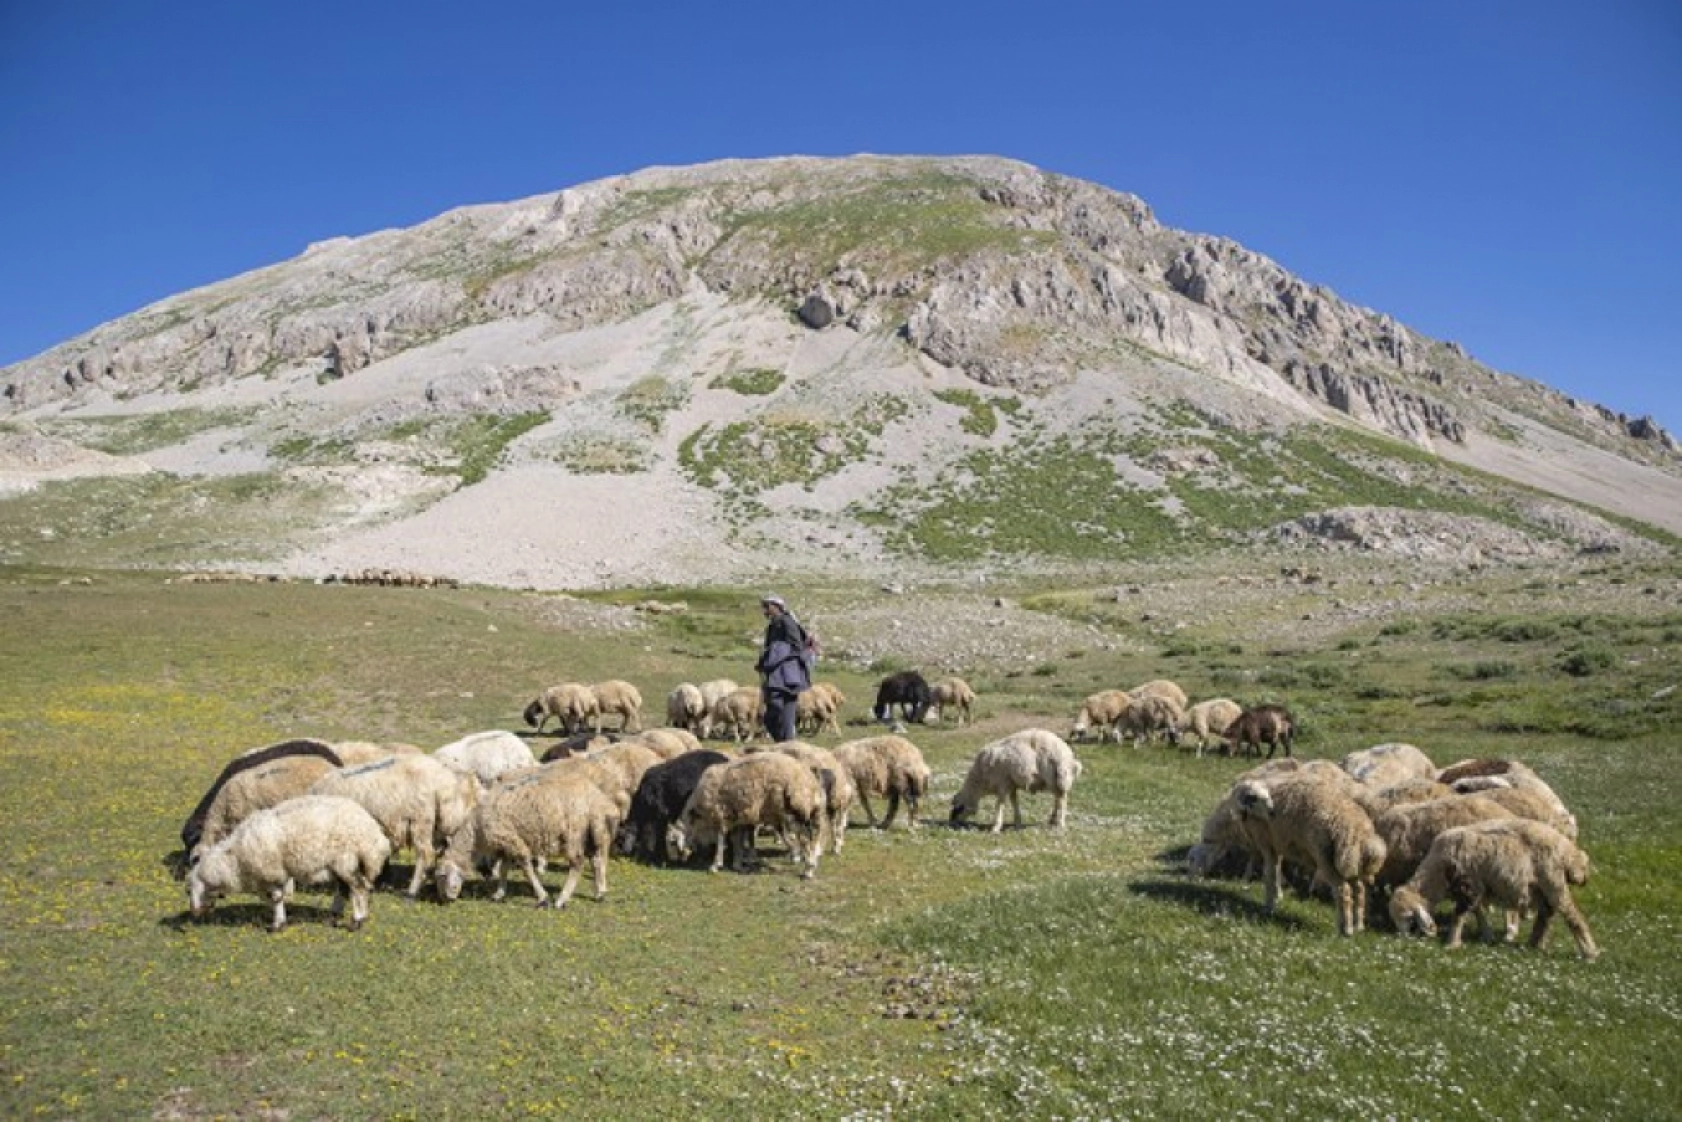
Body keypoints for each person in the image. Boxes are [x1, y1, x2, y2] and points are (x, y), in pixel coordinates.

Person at [755, 594, 811, 743]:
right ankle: (784, 742)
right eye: (764, 607)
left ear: (776, 607)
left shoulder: (787, 622)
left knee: (782, 709)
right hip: (776, 675)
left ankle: (787, 743)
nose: (765, 611)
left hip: (788, 675)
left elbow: (796, 646)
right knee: (773, 714)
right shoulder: (773, 626)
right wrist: (763, 662)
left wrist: (779, 656)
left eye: (767, 607)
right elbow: (769, 648)